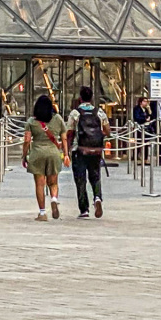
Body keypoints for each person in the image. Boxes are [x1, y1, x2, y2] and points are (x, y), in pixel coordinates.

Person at [65, 86, 108, 219]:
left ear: (80, 98)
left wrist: (67, 151)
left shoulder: (75, 113)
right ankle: (97, 197)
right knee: (95, 176)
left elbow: (70, 133)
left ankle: (84, 209)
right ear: (92, 98)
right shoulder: (99, 112)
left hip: (80, 150)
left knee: (80, 179)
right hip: (95, 151)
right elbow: (107, 131)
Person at [23, 94, 66, 221]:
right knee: (53, 182)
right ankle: (54, 199)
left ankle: (42, 213)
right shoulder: (58, 119)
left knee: (40, 184)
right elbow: (64, 137)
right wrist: (66, 154)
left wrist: (24, 155)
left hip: (37, 153)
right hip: (53, 153)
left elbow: (27, 141)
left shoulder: (31, 122)